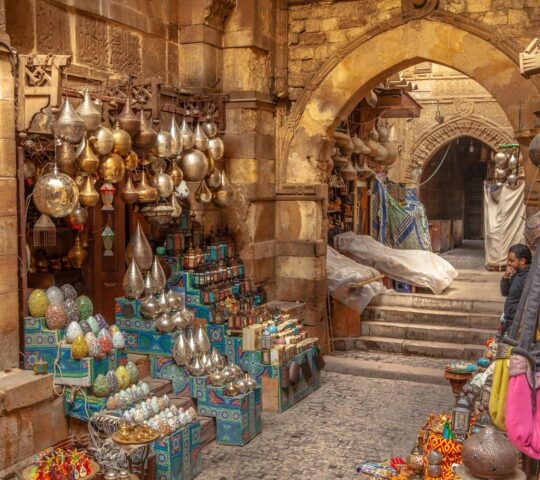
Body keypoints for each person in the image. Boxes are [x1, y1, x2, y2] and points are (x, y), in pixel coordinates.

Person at [499, 243, 532, 337]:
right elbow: (505, 292)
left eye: (511, 260)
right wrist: (505, 277)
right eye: (508, 260)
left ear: (522, 261)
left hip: (517, 323)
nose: (508, 263)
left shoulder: (528, 277)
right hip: (508, 319)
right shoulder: (516, 273)